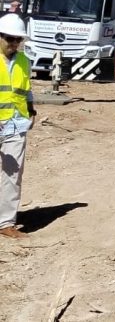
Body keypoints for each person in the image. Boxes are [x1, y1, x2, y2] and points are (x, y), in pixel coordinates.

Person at [0, 14, 35, 239]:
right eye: (10, 39)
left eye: (18, 40)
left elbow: (26, 90)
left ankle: (6, 223)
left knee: (12, 174)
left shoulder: (24, 61)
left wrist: (31, 110)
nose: (14, 44)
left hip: (15, 123)